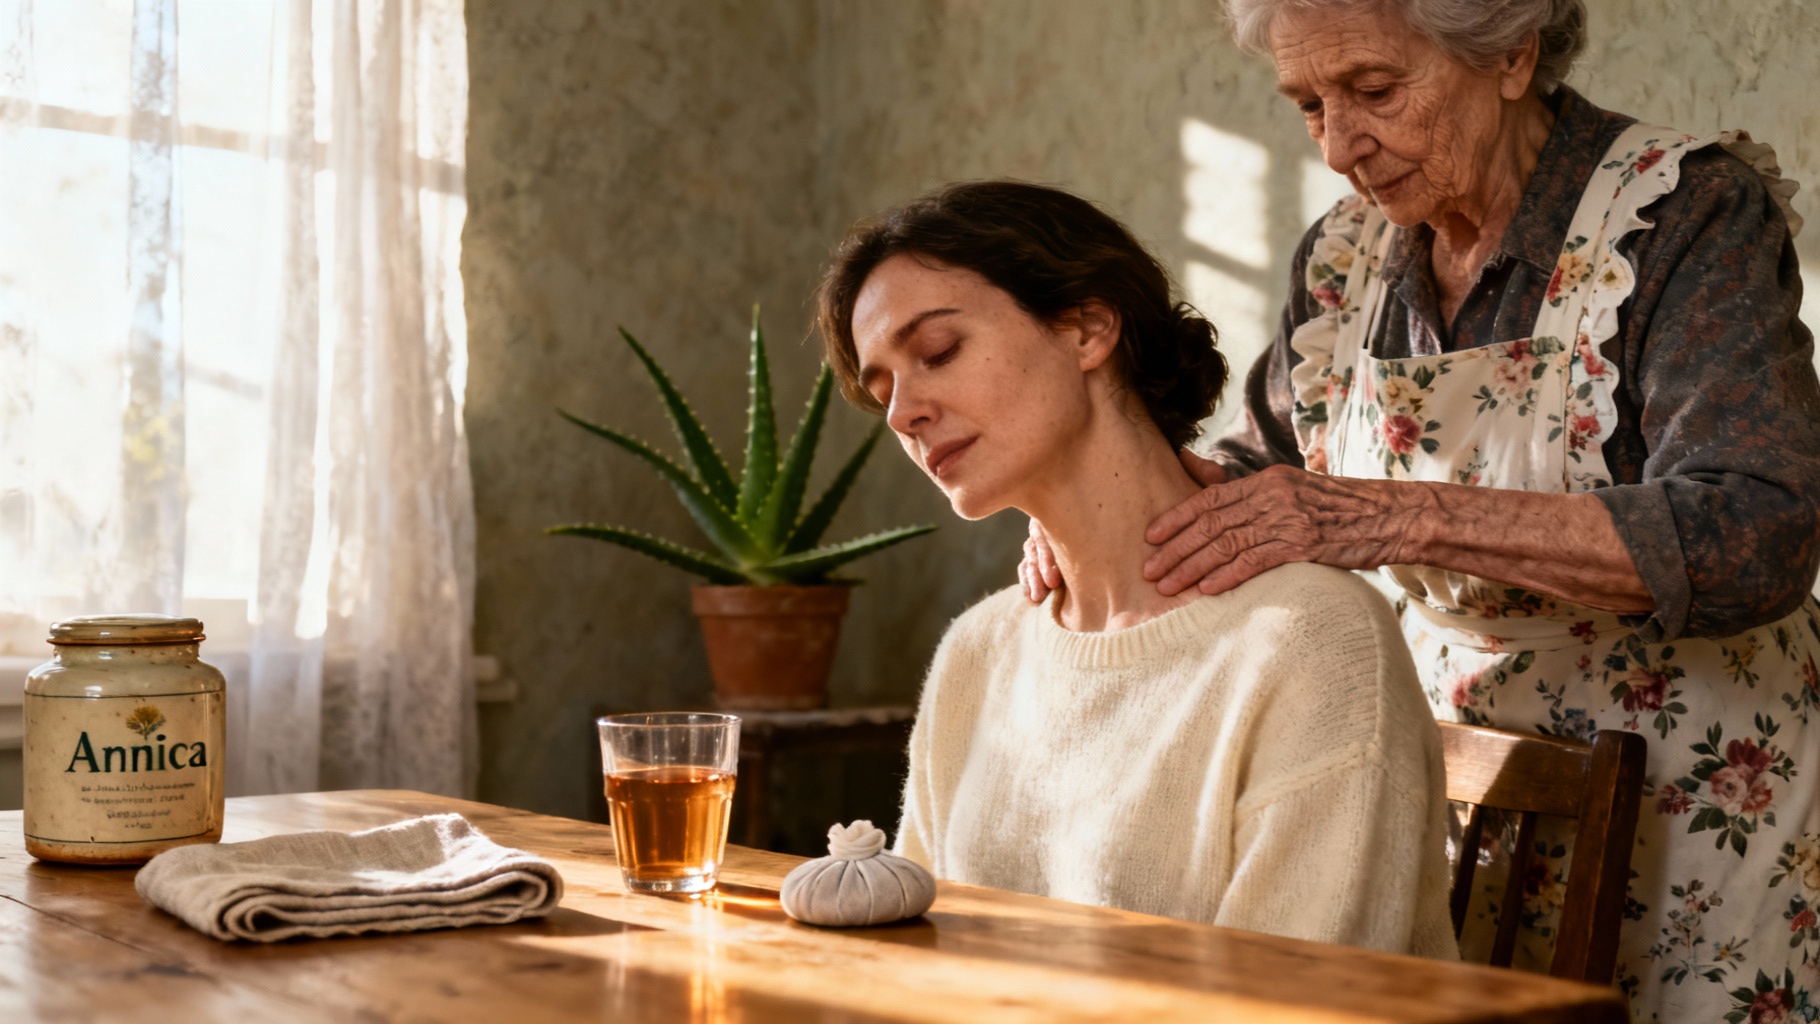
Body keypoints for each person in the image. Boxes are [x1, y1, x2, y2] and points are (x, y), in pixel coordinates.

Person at [1023, 0, 1820, 1015]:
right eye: (1307, 103)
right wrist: (1081, 504)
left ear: (1510, 55)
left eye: (1372, 90)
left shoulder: (1682, 213)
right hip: (1462, 792)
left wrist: (1399, 517)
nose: (1338, 147)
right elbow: (1263, 470)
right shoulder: (1348, 256)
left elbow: (1756, 530)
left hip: (1702, 807)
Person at [815, 180, 1457, 958]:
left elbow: (1293, 998)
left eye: (938, 353)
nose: (902, 413)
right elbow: (921, 959)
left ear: (1087, 328)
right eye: (880, 391)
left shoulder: (1311, 642)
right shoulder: (978, 653)